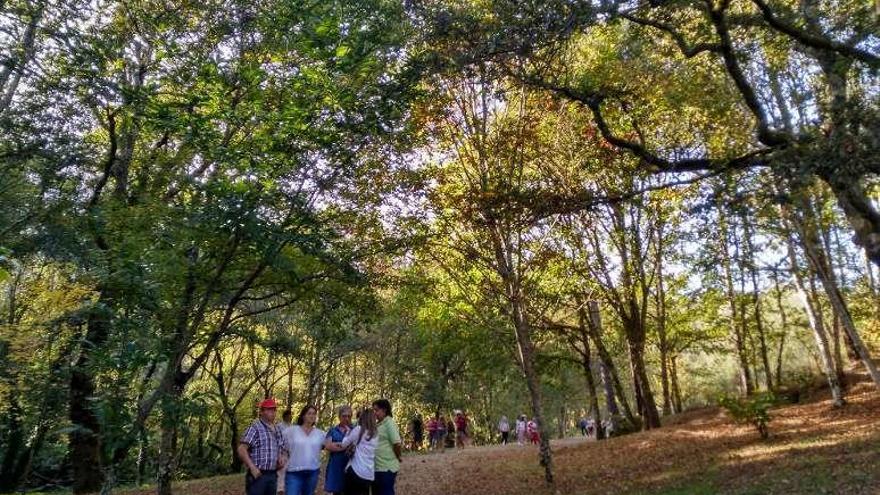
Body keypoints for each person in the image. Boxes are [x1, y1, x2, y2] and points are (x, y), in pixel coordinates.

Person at [238, 398, 287, 495]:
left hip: (273, 475)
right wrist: (252, 467)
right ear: (261, 412)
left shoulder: (277, 430)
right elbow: (241, 449)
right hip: (258, 474)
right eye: (269, 410)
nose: (272, 412)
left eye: (274, 410)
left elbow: (281, 448)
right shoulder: (255, 428)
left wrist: (281, 458)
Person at [333, 408, 379, 495]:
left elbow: (344, 444)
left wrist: (347, 433)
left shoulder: (358, 429)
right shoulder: (376, 434)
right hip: (369, 473)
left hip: (356, 471)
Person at [281, 405, 325, 495]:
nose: (312, 416)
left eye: (314, 414)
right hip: (294, 472)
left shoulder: (320, 433)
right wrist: (281, 456)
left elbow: (330, 444)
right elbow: (280, 444)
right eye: (309, 413)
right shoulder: (291, 431)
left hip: (312, 472)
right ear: (303, 415)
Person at [372, 399, 402, 495]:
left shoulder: (389, 423)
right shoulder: (379, 424)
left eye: (376, 410)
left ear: (384, 410)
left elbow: (396, 443)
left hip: (387, 468)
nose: (374, 413)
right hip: (377, 467)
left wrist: (398, 457)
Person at [323, 405, 353, 495]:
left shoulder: (354, 430)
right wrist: (345, 446)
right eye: (344, 416)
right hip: (336, 465)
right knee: (337, 491)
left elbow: (355, 447)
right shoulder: (333, 430)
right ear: (339, 417)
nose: (346, 418)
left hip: (350, 465)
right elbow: (328, 446)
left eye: (349, 416)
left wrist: (337, 445)